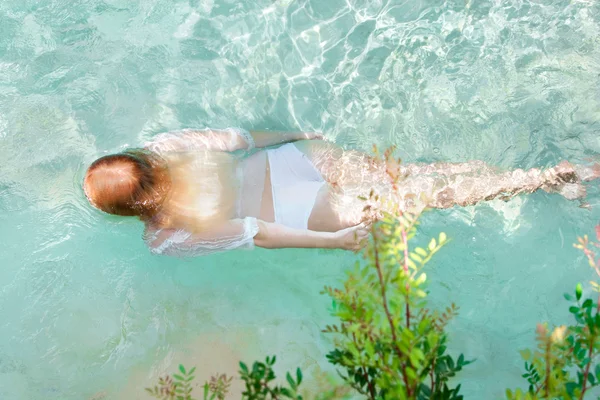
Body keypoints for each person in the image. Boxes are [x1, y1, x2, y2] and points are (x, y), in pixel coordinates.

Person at [83, 128, 599, 257]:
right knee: (422, 172)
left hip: (305, 209)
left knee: (430, 196)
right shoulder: (165, 144)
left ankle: (548, 177)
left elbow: (255, 232)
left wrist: (336, 242)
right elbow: (239, 139)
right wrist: (298, 134)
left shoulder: (164, 236)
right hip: (297, 158)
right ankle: (533, 174)